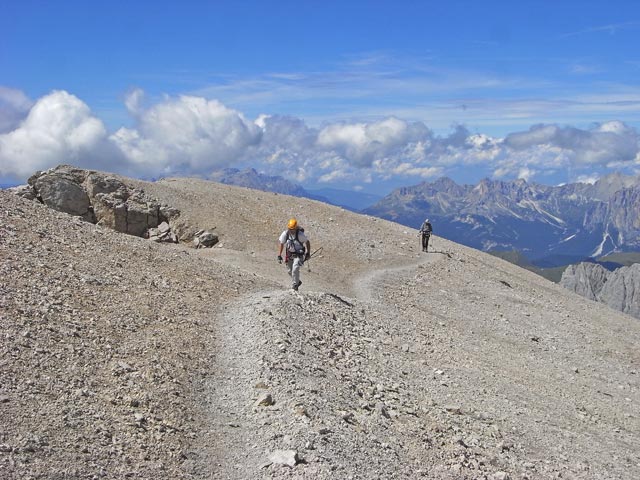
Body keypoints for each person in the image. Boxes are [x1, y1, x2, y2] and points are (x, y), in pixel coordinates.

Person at [277, 218, 310, 291]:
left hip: (299, 255)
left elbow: (307, 242)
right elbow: (281, 243)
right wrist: (279, 255)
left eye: (293, 229)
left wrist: (308, 253)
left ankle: (295, 286)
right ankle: (297, 281)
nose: (291, 230)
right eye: (290, 229)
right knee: (290, 271)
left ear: (296, 228)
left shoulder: (300, 235)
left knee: (295, 269)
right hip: (289, 255)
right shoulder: (285, 234)